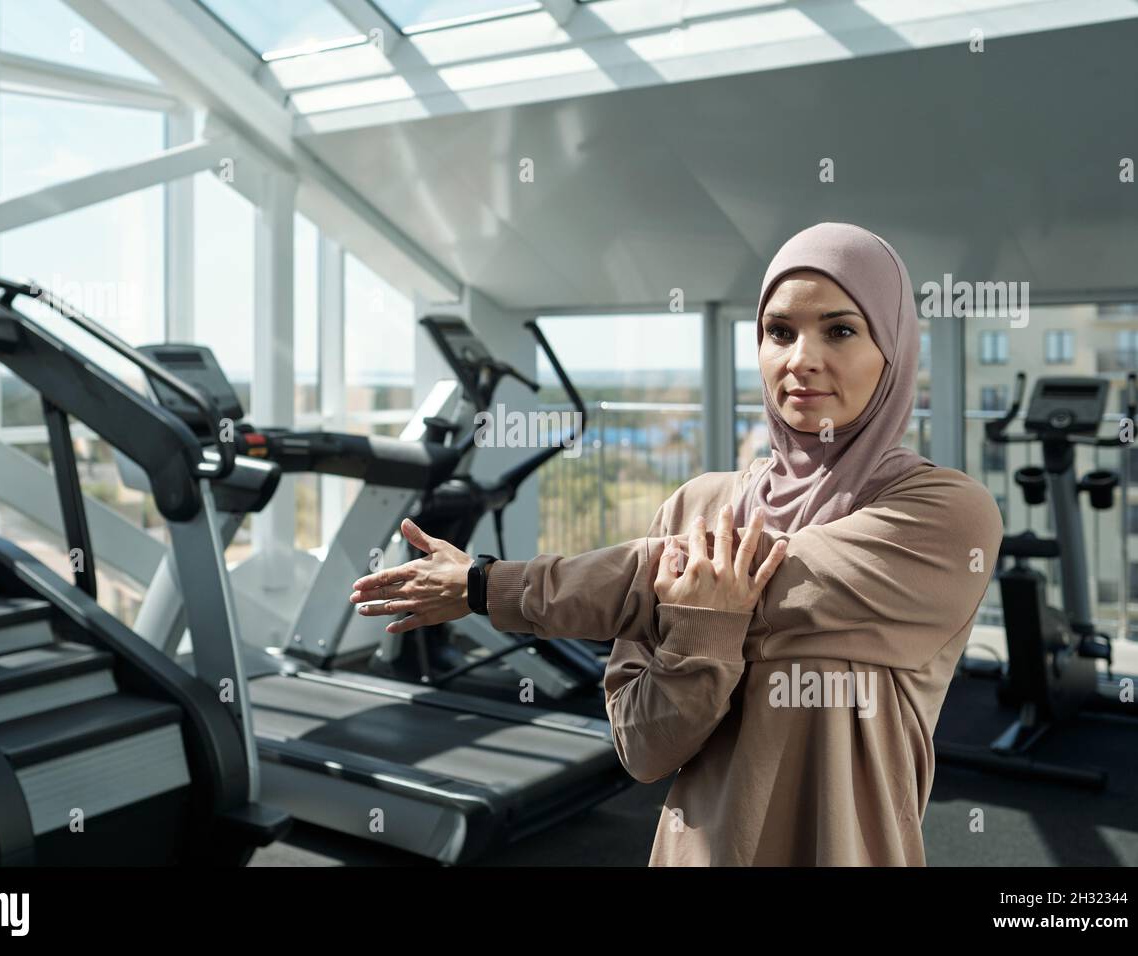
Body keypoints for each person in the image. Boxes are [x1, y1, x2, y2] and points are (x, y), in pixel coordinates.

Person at [349, 222, 1004, 866]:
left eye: (840, 329)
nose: (801, 359)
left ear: (893, 347)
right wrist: (706, 631)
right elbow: (642, 749)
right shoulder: (695, 506)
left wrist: (485, 587)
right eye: (779, 332)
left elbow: (749, 581)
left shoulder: (944, 517)